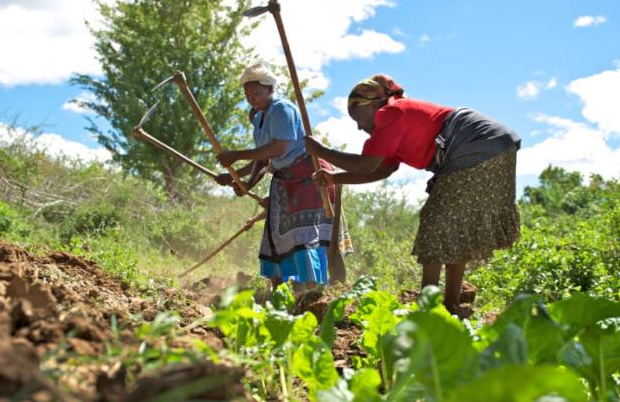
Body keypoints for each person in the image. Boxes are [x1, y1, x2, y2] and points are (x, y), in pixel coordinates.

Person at [305, 74, 521, 314]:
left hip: (476, 145)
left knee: (436, 223)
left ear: (374, 106)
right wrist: (335, 178)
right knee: (458, 227)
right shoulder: (392, 123)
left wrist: (321, 151)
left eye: (358, 119)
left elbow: (366, 165)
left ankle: (427, 307)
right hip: (494, 145)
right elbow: (381, 169)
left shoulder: (390, 113)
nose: (359, 127)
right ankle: (449, 305)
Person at [215, 61, 337, 290]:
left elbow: (278, 149)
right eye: (247, 94)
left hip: (309, 177)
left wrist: (237, 155)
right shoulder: (259, 118)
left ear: (270, 90)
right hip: (286, 179)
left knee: (304, 233)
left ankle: (311, 288)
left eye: (256, 93)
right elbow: (262, 160)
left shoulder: (282, 109)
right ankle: (284, 286)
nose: (251, 98)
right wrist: (243, 183)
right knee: (279, 232)